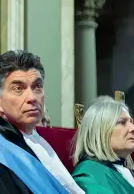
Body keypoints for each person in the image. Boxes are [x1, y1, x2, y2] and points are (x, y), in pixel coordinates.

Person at [0, 50, 84, 194]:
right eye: (18, 88)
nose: (32, 97)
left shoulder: (36, 140)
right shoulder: (4, 152)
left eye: (37, 86)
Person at [72, 96, 134, 193]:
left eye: (131, 122)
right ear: (99, 131)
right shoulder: (87, 176)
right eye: (122, 122)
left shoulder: (123, 170)